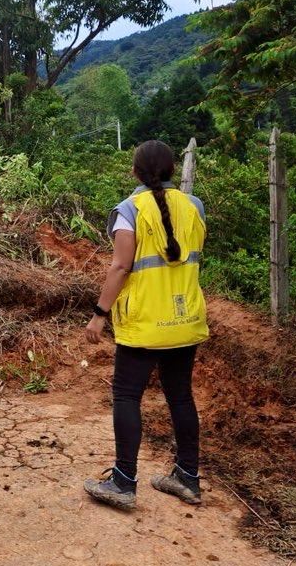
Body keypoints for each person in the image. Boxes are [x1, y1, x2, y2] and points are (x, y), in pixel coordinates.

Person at [83, 140, 209, 510]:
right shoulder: (195, 206)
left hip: (144, 321)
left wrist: (99, 313)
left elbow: (121, 266)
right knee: (180, 395)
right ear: (171, 171)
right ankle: (187, 476)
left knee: (126, 394)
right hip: (184, 318)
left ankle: (123, 482)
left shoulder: (130, 210)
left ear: (135, 172)